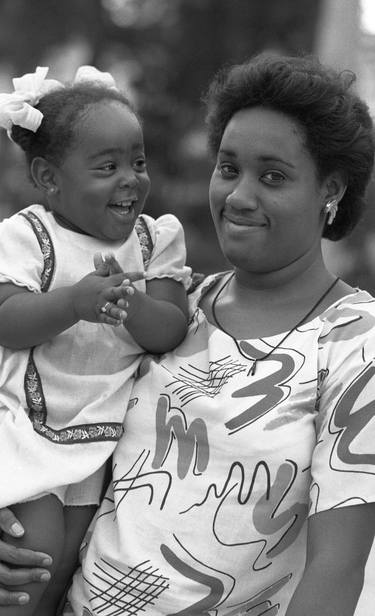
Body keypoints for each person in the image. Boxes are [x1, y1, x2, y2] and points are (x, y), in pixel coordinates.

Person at [1, 51, 375, 616]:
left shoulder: (355, 342)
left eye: (273, 176)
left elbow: (337, 568)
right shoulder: (175, 304)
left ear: (332, 190)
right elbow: (43, 403)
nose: (239, 196)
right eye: (228, 168)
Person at [0, 65, 191, 615]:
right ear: (49, 177)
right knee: (31, 554)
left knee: (70, 569)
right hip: (27, 423)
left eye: (138, 161)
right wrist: (73, 303)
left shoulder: (155, 241)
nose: (130, 178)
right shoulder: (28, 236)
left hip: (102, 439)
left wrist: (135, 308)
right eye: (107, 167)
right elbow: (7, 319)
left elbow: (171, 329)